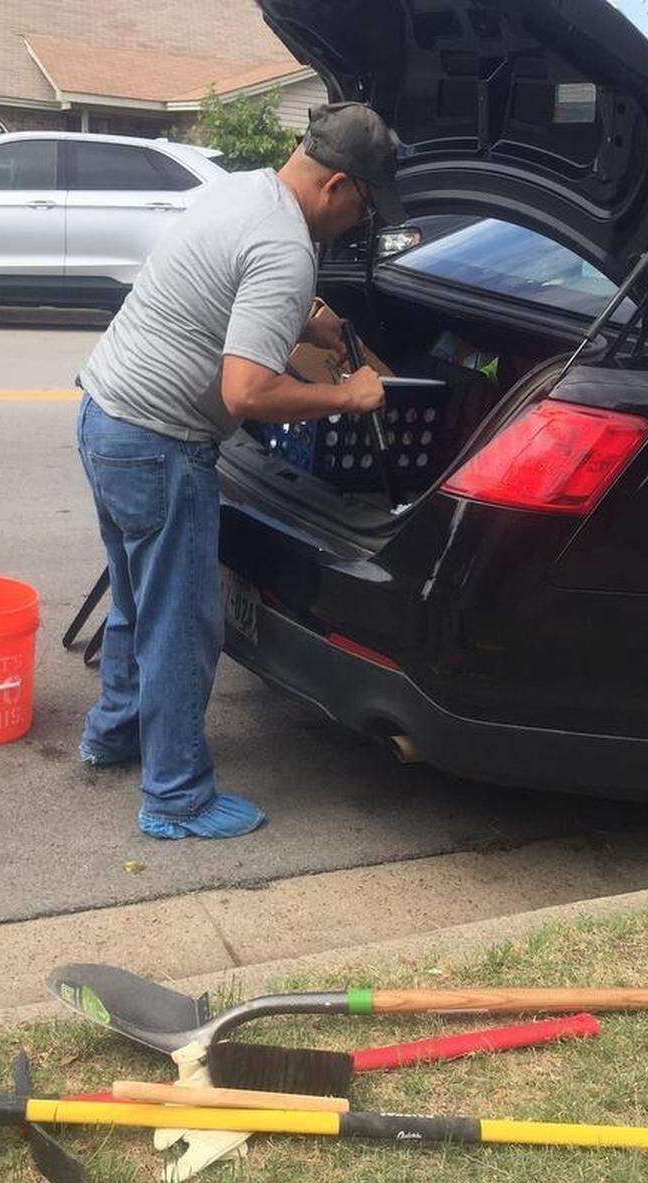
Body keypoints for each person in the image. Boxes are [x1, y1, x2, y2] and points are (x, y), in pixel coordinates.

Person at [76, 102, 405, 840]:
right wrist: (348, 396)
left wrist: (302, 322)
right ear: (339, 186)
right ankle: (177, 799)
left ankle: (114, 734)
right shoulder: (288, 251)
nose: (359, 223)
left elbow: (221, 292)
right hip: (159, 444)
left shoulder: (242, 189)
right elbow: (247, 393)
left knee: (135, 600)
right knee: (183, 628)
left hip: (105, 415)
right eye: (364, 206)